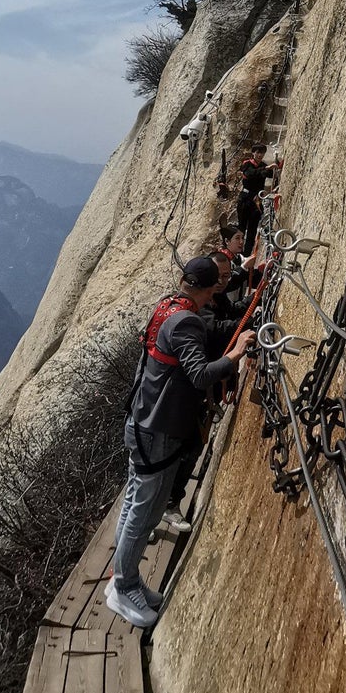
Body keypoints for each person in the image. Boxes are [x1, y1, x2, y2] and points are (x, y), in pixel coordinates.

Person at [106, 257, 255, 628]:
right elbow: (200, 375)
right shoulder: (187, 321)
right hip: (158, 428)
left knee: (137, 506)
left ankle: (125, 579)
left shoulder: (166, 307)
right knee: (144, 511)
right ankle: (123, 587)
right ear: (207, 290)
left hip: (143, 420)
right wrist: (235, 356)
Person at [235, 144, 274, 263]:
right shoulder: (247, 164)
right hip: (245, 199)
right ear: (253, 153)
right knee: (241, 228)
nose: (260, 155)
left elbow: (271, 175)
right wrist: (266, 170)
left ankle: (246, 255)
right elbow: (250, 174)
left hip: (256, 201)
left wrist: (273, 168)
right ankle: (237, 254)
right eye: (258, 152)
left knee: (252, 230)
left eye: (262, 153)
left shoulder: (263, 166)